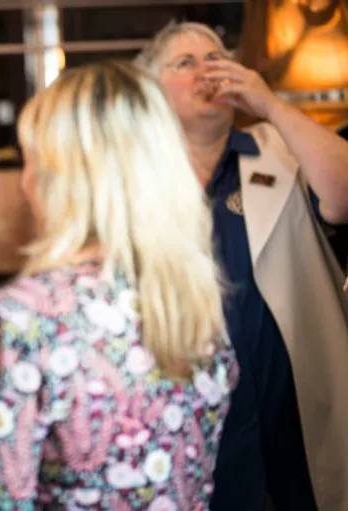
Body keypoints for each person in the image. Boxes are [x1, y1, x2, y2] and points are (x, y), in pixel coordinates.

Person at [0, 59, 238, 509]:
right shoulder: (192, 299)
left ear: (60, 179)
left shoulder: (24, 317)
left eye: (31, 161)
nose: (25, 183)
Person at [134, 20, 348, 511]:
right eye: (185, 62)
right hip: (196, 423)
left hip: (296, 409)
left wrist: (271, 106)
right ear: (152, 92)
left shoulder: (277, 147)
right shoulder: (135, 181)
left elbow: (344, 197)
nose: (206, 71)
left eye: (215, 58)